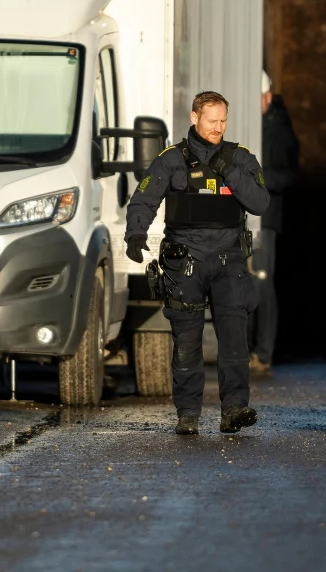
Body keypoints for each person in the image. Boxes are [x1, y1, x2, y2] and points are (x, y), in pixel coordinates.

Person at [125, 91, 271, 435]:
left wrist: (229, 171)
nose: (218, 127)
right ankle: (188, 413)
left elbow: (261, 202)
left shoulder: (241, 158)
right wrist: (135, 234)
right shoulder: (172, 159)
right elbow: (143, 199)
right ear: (195, 118)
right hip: (185, 261)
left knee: (234, 339)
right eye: (212, 121)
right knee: (187, 341)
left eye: (223, 121)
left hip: (229, 260)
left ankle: (234, 408)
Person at [249, 72, 299, 376]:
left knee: (262, 286)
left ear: (268, 96)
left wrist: (258, 179)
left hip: (265, 218)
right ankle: (243, 350)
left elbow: (291, 175)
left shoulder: (281, 131)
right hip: (241, 215)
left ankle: (263, 352)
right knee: (241, 286)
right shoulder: (245, 124)